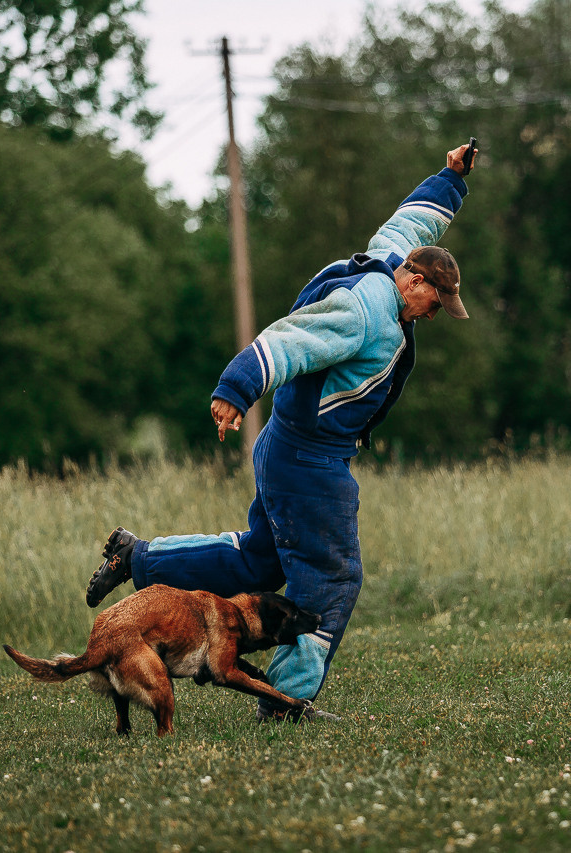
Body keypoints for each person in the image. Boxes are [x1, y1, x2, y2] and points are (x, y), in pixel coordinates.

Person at [85, 142, 477, 720]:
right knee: (332, 577)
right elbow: (291, 339)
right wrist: (236, 389)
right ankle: (286, 700)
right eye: (436, 302)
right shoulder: (364, 311)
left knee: (256, 564)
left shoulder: (390, 260)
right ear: (414, 280)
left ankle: (139, 559)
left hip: (289, 450)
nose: (436, 313)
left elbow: (413, 217)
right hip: (309, 463)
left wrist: (452, 177)